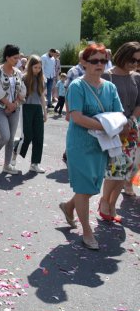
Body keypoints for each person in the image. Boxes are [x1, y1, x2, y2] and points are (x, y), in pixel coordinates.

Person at [59, 43, 124, 250]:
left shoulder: (110, 87)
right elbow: (76, 117)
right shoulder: (77, 86)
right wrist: (105, 126)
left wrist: (113, 126)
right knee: (83, 185)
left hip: (101, 144)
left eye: (103, 60)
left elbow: (118, 114)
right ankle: (87, 232)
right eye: (94, 61)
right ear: (84, 63)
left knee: (92, 186)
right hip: (80, 144)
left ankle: (69, 207)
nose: (99, 64)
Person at [99, 42, 140, 218]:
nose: (134, 64)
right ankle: (104, 201)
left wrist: (131, 119)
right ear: (122, 55)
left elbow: (139, 103)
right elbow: (101, 105)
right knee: (114, 170)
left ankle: (112, 204)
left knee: (127, 171)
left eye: (138, 61)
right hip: (114, 129)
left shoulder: (137, 77)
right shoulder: (107, 77)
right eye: (132, 59)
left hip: (131, 129)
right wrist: (120, 123)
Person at [0, 44, 26, 175]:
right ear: (7, 57)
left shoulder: (18, 72)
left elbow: (22, 90)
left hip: (15, 108)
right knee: (5, 136)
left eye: (18, 57)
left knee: (11, 139)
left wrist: (15, 103)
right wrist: (8, 104)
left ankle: (7, 165)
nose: (17, 60)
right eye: (15, 58)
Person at [12, 55, 47, 173]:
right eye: (35, 67)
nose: (38, 70)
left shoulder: (42, 79)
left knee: (39, 137)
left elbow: (42, 96)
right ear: (30, 66)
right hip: (26, 107)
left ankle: (35, 163)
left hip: (37, 109)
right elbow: (18, 94)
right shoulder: (24, 78)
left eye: (39, 68)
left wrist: (45, 112)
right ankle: (14, 154)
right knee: (27, 136)